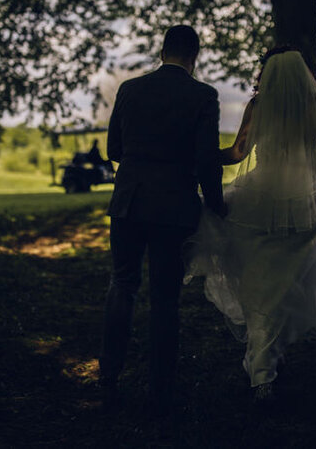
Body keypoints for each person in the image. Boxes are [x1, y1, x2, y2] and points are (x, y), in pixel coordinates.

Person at [185, 47, 316, 402]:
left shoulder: (258, 107)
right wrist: (303, 165)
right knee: (286, 283)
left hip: (259, 201)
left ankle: (263, 372)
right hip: (301, 206)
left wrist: (201, 155)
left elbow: (238, 154)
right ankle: (266, 362)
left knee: (260, 284)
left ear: (268, 75)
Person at [99, 24, 227, 417]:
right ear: (195, 56)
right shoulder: (203, 96)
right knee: (165, 300)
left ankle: (108, 379)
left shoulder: (130, 89)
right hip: (174, 208)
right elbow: (206, 159)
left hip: (129, 202)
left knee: (122, 285)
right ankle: (160, 392)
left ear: (163, 51)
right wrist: (217, 203)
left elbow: (113, 148)